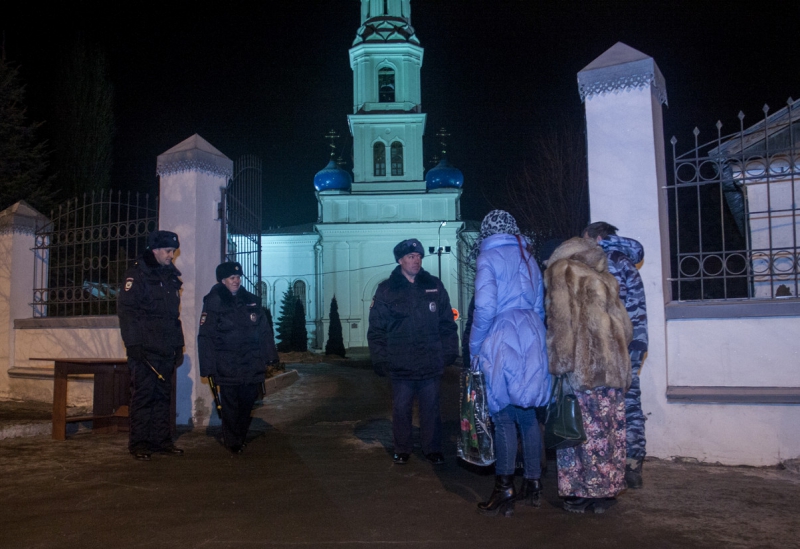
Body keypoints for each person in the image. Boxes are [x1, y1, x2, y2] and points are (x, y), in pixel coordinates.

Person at [468, 210, 551, 517]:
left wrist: (475, 347)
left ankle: (504, 488)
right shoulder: (528, 257)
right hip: (532, 335)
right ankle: (533, 482)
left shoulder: (488, 259)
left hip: (502, 337)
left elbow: (486, 307)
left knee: (502, 417)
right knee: (527, 415)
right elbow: (539, 306)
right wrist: (536, 338)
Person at [544, 237, 633, 513]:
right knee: (608, 430)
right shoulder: (605, 277)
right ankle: (605, 493)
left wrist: (559, 364)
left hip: (582, 369)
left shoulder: (562, 271)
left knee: (580, 431)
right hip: (612, 369)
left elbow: (561, 324)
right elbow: (626, 329)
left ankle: (581, 492)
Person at [367, 238, 459, 465]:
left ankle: (433, 449)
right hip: (400, 363)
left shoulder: (434, 285)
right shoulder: (387, 290)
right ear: (400, 260)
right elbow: (376, 329)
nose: (416, 261)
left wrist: (450, 350)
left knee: (431, 409)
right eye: (411, 257)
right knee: (401, 409)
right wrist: (380, 358)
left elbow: (447, 323)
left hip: (430, 361)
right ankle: (402, 448)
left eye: (418, 256)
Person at [583, 221, 648, 489]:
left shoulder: (599, 261)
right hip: (634, 342)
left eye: (586, 238)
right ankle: (633, 463)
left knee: (604, 402)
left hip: (609, 344)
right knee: (631, 402)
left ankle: (607, 461)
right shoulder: (627, 261)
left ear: (598, 237)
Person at [118, 230, 185, 461]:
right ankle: (139, 444)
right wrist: (133, 343)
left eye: (173, 251)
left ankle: (161, 441)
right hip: (145, 350)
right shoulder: (137, 275)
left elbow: (173, 316)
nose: (171, 256)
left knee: (163, 397)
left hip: (165, 348)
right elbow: (127, 312)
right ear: (155, 250)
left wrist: (179, 345)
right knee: (144, 397)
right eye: (168, 251)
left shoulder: (169, 277)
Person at [198, 261, 278, 454]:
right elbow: (206, 336)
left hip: (250, 362)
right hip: (227, 363)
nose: (237, 281)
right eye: (232, 278)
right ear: (223, 280)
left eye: (238, 277)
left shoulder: (251, 301)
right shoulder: (213, 301)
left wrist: (270, 356)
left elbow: (264, 331)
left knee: (247, 401)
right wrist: (207, 366)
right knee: (231, 404)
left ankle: (239, 435)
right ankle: (233, 441)